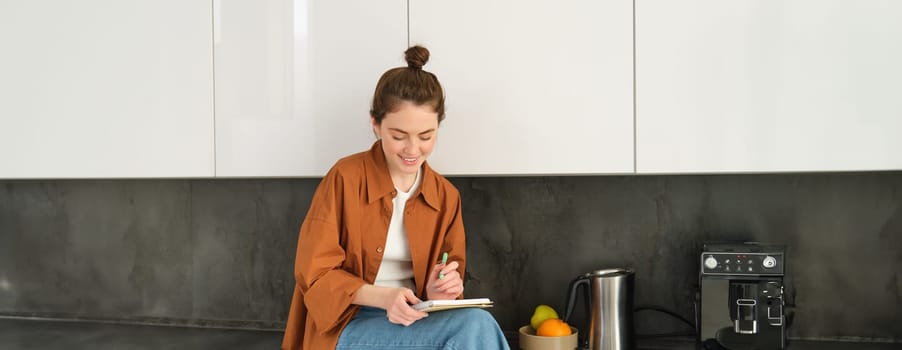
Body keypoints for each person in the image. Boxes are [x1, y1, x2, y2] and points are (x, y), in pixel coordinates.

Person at [281, 46, 510, 350]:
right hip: (346, 324)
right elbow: (315, 273)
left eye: (426, 136)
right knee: (475, 330)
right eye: (399, 136)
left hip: (413, 320)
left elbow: (446, 280)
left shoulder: (446, 197)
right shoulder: (344, 178)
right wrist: (383, 297)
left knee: (476, 324)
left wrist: (437, 290)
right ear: (376, 124)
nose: (412, 150)